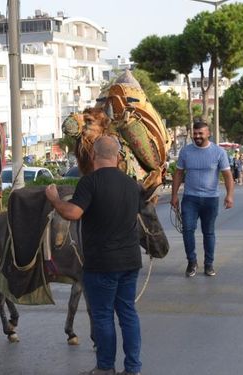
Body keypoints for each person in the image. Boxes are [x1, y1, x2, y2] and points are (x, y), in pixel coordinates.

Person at [45, 136, 143, 375]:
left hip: (102, 264)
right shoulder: (132, 185)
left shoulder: (90, 182)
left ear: (92, 156)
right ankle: (133, 369)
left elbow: (73, 213)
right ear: (118, 157)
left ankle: (105, 367)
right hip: (130, 261)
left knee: (103, 316)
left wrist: (55, 199)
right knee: (128, 314)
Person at [171, 121, 234, 277]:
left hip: (210, 199)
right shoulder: (186, 152)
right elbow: (178, 174)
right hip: (190, 199)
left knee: (209, 232)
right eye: (195, 133)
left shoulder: (219, 152)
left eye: (201, 133)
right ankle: (192, 262)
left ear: (208, 134)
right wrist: (174, 195)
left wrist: (229, 195)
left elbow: (227, 175)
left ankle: (209, 264)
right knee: (187, 230)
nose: (197, 136)